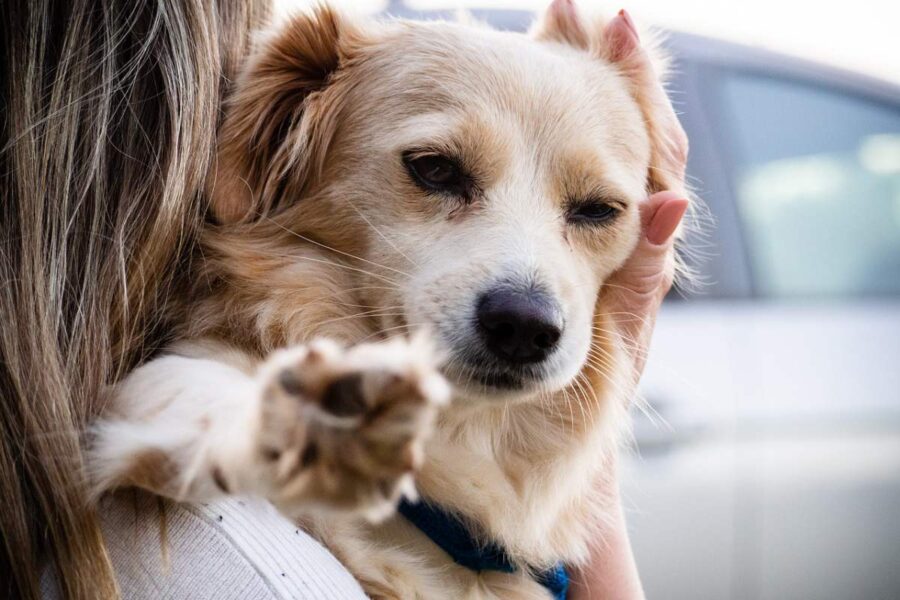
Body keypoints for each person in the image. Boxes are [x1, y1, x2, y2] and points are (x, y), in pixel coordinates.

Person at [1, 0, 687, 597]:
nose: (530, 304)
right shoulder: (215, 508)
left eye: (594, 211)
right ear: (271, 140)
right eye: (436, 170)